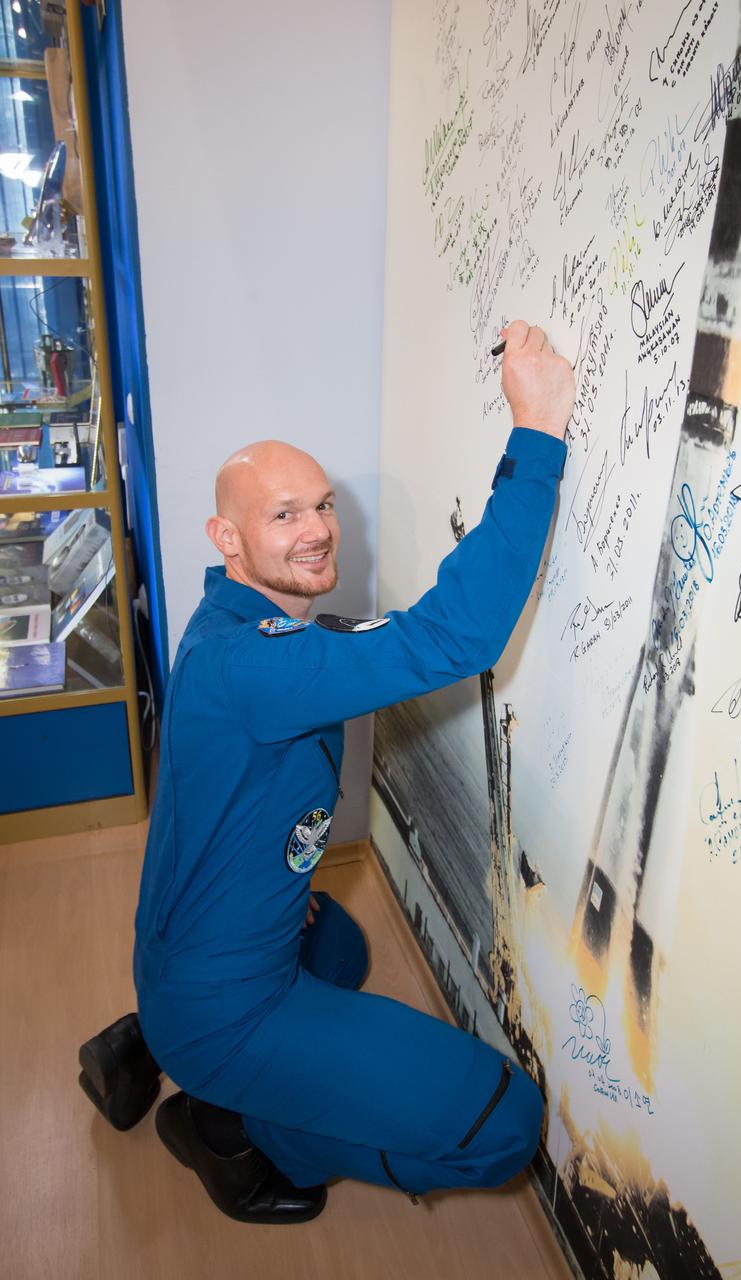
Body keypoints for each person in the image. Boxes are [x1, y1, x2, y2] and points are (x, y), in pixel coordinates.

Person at [78, 320, 575, 1225]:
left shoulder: (227, 629)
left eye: (322, 505)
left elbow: (223, 800)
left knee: (338, 948)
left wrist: (276, 874)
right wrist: (536, 431)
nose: (316, 530)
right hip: (224, 1001)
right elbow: (453, 638)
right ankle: (229, 1129)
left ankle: (149, 1041)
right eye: (284, 514)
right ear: (226, 536)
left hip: (182, 958)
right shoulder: (260, 667)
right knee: (507, 1123)